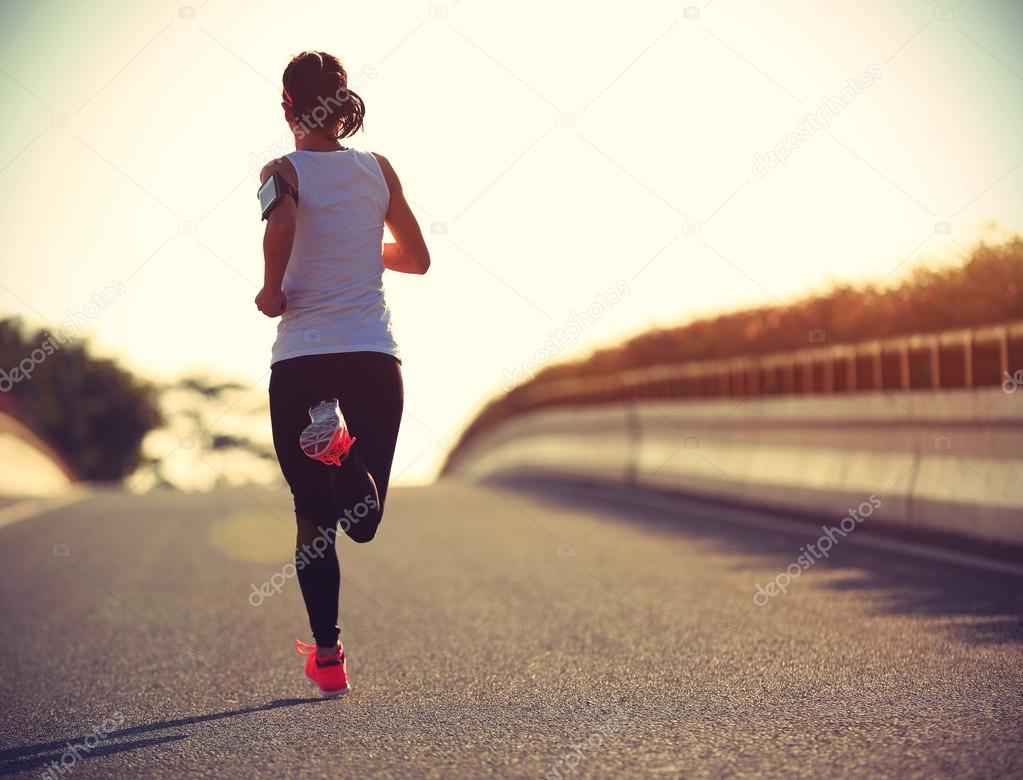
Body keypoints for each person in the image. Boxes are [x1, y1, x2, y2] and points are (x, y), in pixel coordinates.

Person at [255, 50, 430, 697]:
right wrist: (363, 249)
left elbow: (283, 219)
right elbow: (416, 258)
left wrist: (272, 289)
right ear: (343, 103)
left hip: (303, 361)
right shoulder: (378, 170)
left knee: (311, 517)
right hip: (372, 359)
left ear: (287, 106)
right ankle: (342, 451)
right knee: (363, 520)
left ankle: (329, 656)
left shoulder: (281, 171)